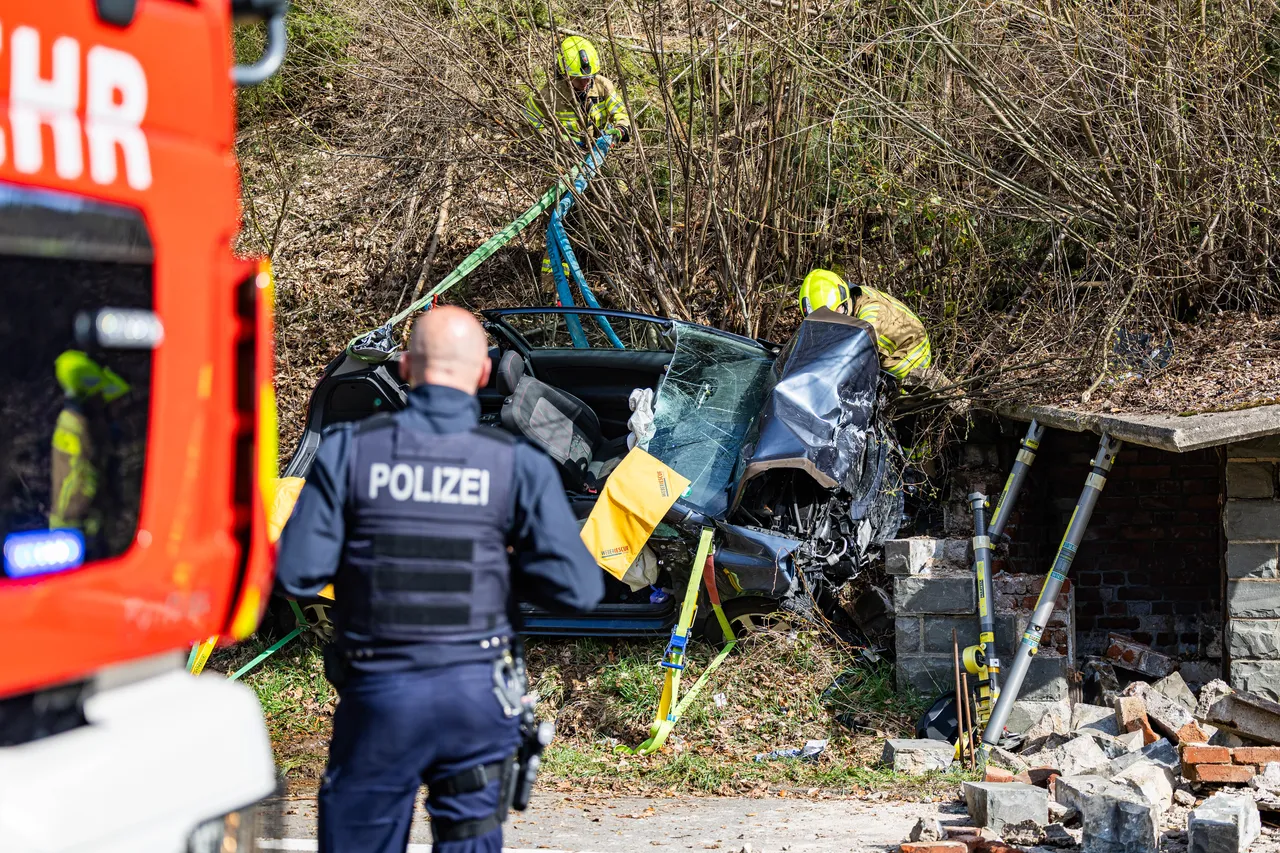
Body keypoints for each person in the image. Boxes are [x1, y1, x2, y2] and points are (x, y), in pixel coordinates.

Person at [275, 306, 604, 853]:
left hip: (380, 695)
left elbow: (295, 570)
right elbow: (578, 587)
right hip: (475, 697)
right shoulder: (518, 464)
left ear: (405, 367)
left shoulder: (347, 452)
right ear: (481, 375)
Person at [797, 268, 961, 406]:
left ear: (845, 301)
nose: (833, 324)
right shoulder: (854, 298)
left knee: (894, 419)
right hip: (891, 356)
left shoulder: (870, 319)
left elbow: (846, 358)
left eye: (835, 315)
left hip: (910, 365)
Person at [49, 350, 130, 553]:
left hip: (79, 526)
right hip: (75, 529)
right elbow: (78, 477)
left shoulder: (75, 422)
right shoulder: (77, 425)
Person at [525, 36, 632, 148]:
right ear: (565, 74)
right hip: (566, 156)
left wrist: (620, 129)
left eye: (589, 77)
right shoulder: (549, 95)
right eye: (578, 78)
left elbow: (622, 113)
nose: (585, 82)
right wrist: (557, 139)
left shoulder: (603, 86)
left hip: (600, 150)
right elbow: (528, 124)